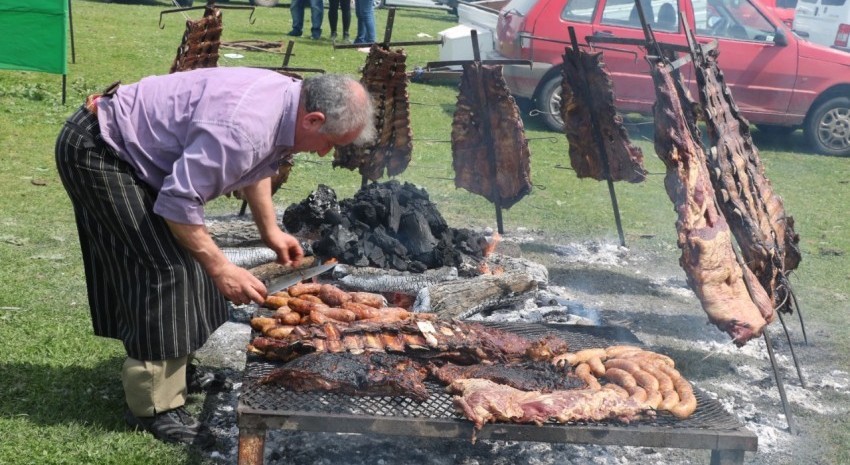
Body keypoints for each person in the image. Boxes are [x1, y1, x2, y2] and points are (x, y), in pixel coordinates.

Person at [54, 68, 375, 447]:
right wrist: (221, 268)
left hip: (133, 152)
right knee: (164, 268)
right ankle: (155, 407)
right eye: (330, 142)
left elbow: (253, 164)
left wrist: (269, 230)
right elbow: (179, 202)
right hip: (101, 149)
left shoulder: (286, 103)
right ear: (313, 119)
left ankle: (177, 373)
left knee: (189, 258)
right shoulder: (244, 126)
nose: (326, 153)